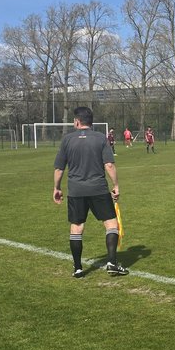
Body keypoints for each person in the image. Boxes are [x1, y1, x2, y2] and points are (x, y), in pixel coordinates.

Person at [53, 106, 128, 278]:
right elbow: (109, 165)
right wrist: (116, 185)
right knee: (111, 224)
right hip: (98, 189)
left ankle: (78, 268)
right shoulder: (101, 138)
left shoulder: (67, 140)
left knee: (77, 227)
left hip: (76, 190)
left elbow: (59, 168)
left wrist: (56, 188)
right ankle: (112, 263)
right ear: (91, 122)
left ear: (77, 121)